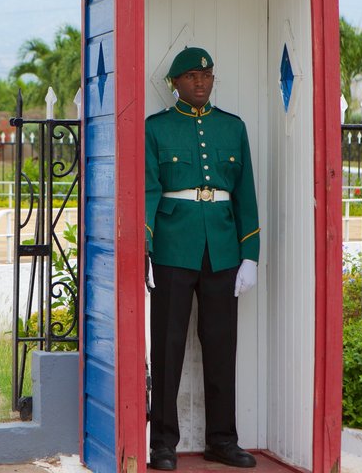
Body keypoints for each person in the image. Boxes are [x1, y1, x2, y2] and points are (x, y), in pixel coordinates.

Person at [145, 47, 260, 470]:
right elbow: (148, 191)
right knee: (168, 347)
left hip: (223, 249)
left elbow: (245, 193)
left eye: (206, 76)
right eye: (191, 76)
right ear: (174, 82)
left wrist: (251, 255)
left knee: (220, 347)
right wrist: (146, 247)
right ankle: (162, 444)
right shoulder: (156, 129)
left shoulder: (233, 128)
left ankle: (222, 440)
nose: (200, 83)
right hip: (174, 248)